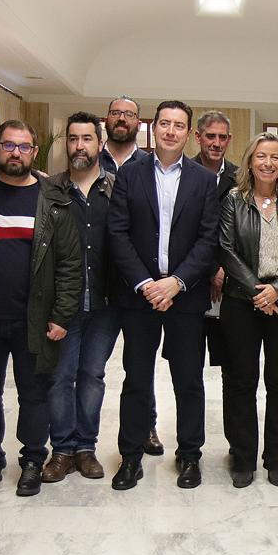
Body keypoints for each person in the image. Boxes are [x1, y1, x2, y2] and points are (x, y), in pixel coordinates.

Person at [0, 120, 82, 497]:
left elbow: (71, 265)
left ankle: (31, 460)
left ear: (34, 153)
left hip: (35, 320)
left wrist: (61, 316)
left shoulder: (54, 200)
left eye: (24, 147)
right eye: (9, 145)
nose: (16, 153)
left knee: (34, 394)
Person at [108, 100, 220, 490]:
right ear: (152, 128)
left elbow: (209, 240)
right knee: (136, 379)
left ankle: (189, 455)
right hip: (138, 297)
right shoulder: (129, 175)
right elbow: (117, 234)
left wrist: (178, 281)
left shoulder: (205, 181)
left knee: (188, 381)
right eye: (165, 124)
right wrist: (145, 283)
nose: (171, 131)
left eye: (179, 125)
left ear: (189, 134)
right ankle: (131, 456)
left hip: (186, 298)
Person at [218, 133, 278, 488]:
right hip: (242, 303)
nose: (268, 163)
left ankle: (275, 458)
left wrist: (277, 290)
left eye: (275, 157)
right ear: (250, 161)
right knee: (241, 382)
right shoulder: (233, 200)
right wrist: (259, 293)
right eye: (261, 156)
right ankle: (242, 457)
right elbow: (226, 249)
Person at [43, 112, 117, 483]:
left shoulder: (116, 190)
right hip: (63, 305)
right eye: (73, 139)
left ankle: (86, 447)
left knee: (92, 376)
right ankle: (63, 450)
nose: (79, 146)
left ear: (100, 144)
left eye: (87, 139)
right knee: (60, 378)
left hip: (105, 305)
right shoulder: (49, 191)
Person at [96, 95, 161, 456]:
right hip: (100, 281)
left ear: (140, 123)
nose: (122, 119)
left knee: (140, 367)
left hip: (141, 285)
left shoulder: (150, 165)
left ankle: (146, 427)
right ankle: (79, 442)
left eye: (130, 115)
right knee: (91, 370)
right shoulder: (90, 158)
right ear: (107, 119)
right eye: (117, 113)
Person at [192, 111, 238, 372]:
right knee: (189, 367)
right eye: (210, 136)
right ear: (198, 137)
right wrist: (211, 270)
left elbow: (242, 233)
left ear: (229, 140)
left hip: (231, 286)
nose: (216, 143)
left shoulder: (241, 178)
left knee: (232, 368)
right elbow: (182, 233)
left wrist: (223, 270)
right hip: (194, 284)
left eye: (222, 137)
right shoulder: (183, 174)